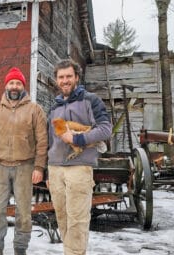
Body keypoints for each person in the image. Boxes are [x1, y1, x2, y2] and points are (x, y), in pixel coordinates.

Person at [0, 67, 48, 255]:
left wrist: (39, 167)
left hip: (25, 167)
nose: (14, 86)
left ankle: (20, 249)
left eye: (18, 83)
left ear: (23, 86)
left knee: (24, 213)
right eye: (11, 82)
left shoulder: (35, 110)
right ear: (6, 85)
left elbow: (42, 141)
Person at [47, 59, 112, 255]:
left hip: (79, 167)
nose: (65, 80)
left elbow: (105, 129)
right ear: (56, 80)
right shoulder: (54, 107)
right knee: (63, 218)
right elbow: (50, 141)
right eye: (61, 77)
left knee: (77, 219)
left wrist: (79, 138)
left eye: (68, 76)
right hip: (55, 168)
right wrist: (46, 171)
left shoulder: (91, 100)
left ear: (76, 77)